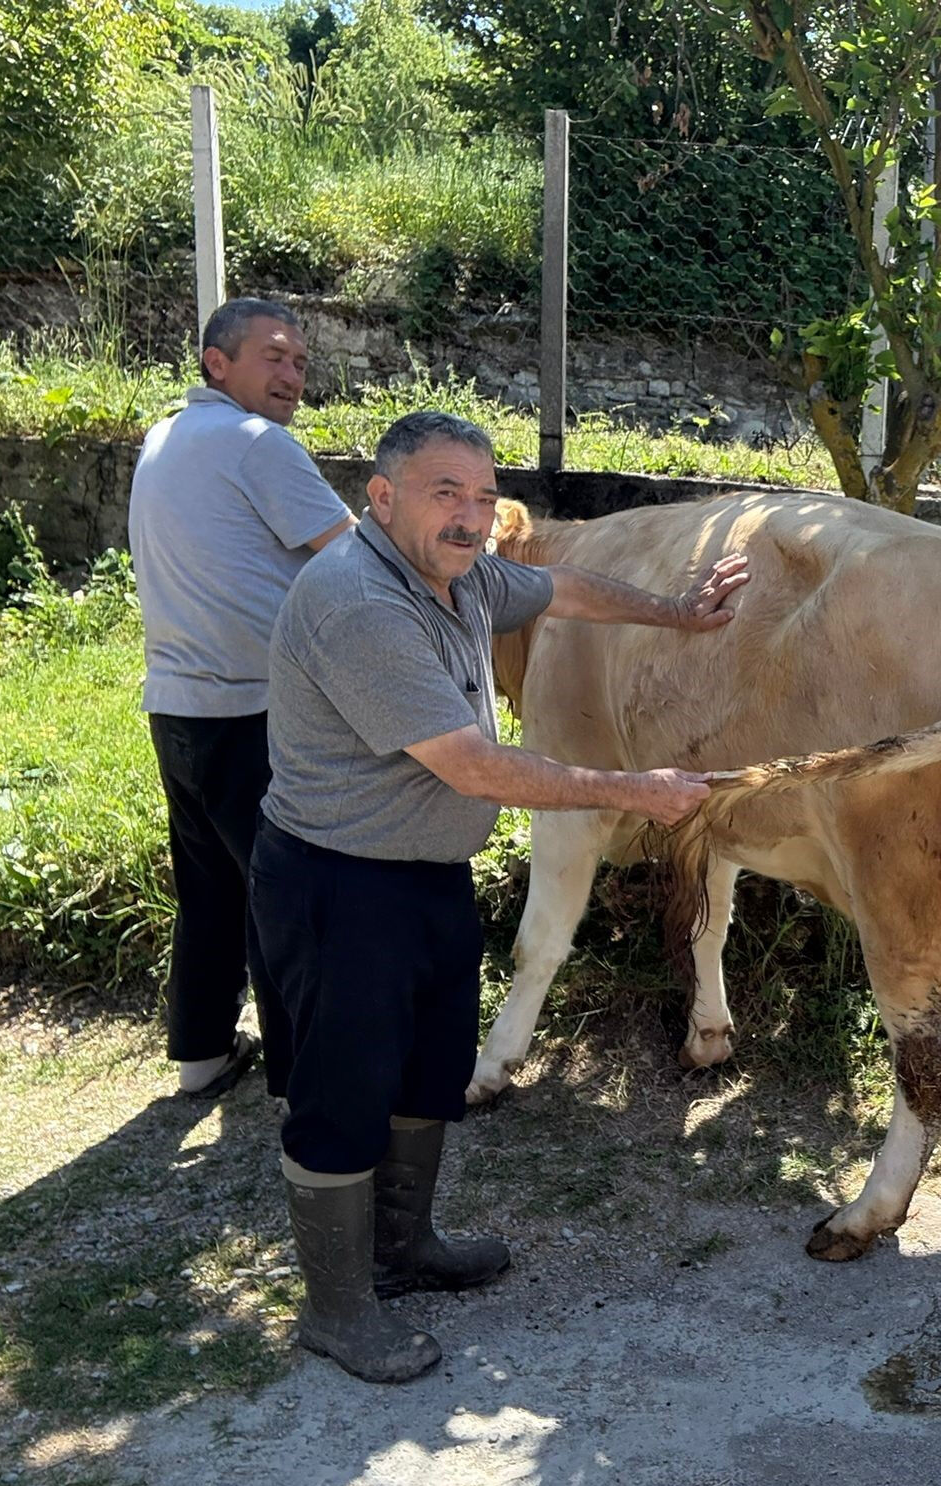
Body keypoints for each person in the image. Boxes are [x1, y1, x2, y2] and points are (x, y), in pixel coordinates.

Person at [251, 410, 749, 1383]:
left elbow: (563, 589)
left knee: (428, 1071)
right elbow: (474, 766)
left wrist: (680, 612)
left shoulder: (463, 576)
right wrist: (634, 792)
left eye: (483, 496)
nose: (470, 515)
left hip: (425, 875)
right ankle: (337, 1311)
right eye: (445, 492)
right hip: (337, 884)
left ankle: (403, 1250)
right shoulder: (359, 601)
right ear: (381, 497)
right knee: (341, 1096)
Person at [129, 297, 356, 1098]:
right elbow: (356, 555)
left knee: (210, 887)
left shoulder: (165, 437)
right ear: (216, 363)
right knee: (284, 892)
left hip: (176, 707)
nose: (293, 374)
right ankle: (304, 1077)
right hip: (252, 710)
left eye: (300, 361)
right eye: (274, 356)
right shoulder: (257, 442)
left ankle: (201, 1056)